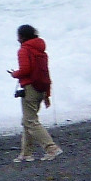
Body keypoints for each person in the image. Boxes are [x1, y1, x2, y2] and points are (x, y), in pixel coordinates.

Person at [7, 23, 63, 162]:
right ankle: (26, 154)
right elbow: (45, 73)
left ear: (22, 36)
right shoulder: (41, 51)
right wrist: (47, 94)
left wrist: (15, 74)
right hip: (41, 87)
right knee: (28, 120)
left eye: (18, 36)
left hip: (30, 88)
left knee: (30, 121)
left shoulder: (24, 50)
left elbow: (25, 70)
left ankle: (51, 148)